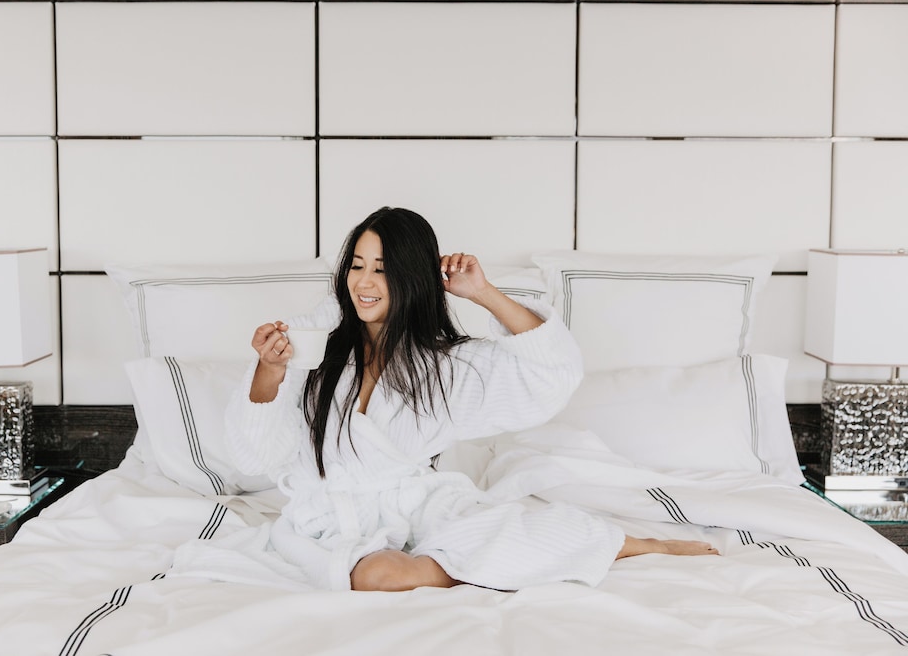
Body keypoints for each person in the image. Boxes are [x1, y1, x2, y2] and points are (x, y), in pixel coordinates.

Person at [226, 206, 717, 593]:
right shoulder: (312, 347)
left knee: (522, 531)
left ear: (413, 278)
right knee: (380, 576)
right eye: (357, 266)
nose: (365, 282)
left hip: (418, 510)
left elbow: (552, 373)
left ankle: (634, 545)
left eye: (383, 269)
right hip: (327, 521)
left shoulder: (445, 366)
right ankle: (473, 567)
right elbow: (254, 455)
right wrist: (270, 369)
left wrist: (482, 292)